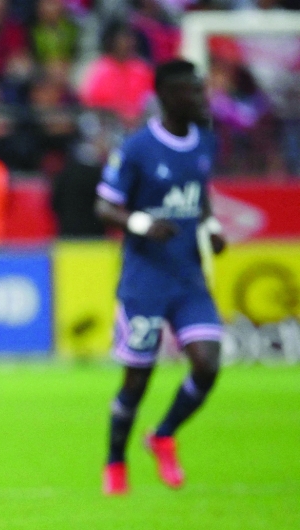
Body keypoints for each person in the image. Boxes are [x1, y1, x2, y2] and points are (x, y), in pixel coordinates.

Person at [94, 59, 226, 495]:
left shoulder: (205, 140)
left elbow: (198, 195)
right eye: (193, 91)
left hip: (188, 277)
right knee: (138, 379)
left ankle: (164, 433)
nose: (201, 99)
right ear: (168, 96)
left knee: (207, 364)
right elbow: (105, 205)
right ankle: (115, 461)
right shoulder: (137, 147)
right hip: (144, 281)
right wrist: (140, 224)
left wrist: (209, 227)